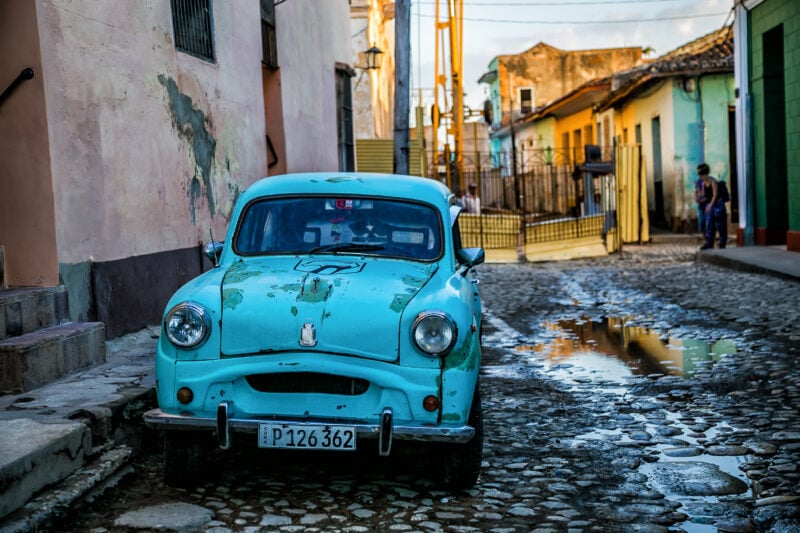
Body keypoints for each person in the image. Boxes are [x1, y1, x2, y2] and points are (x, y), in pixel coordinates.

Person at [697, 163, 727, 250]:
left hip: (718, 205)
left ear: (705, 174)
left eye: (700, 175)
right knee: (709, 225)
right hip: (710, 205)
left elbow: (715, 195)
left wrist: (710, 205)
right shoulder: (703, 184)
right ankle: (709, 243)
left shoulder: (713, 181)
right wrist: (699, 192)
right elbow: (704, 195)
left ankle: (722, 244)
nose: (700, 177)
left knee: (720, 225)